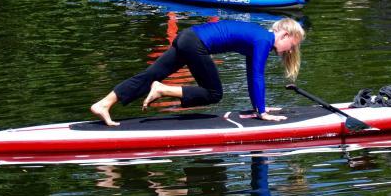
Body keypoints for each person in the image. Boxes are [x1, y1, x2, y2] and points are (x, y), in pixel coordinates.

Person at [89, 18, 306, 126]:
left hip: (188, 36)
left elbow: (252, 75)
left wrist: (260, 107)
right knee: (214, 93)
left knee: (149, 75)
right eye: (293, 45)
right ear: (285, 35)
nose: (291, 51)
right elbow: (258, 76)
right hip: (196, 44)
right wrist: (262, 114)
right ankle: (163, 90)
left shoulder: (258, 36)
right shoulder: (264, 39)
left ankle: (104, 104)